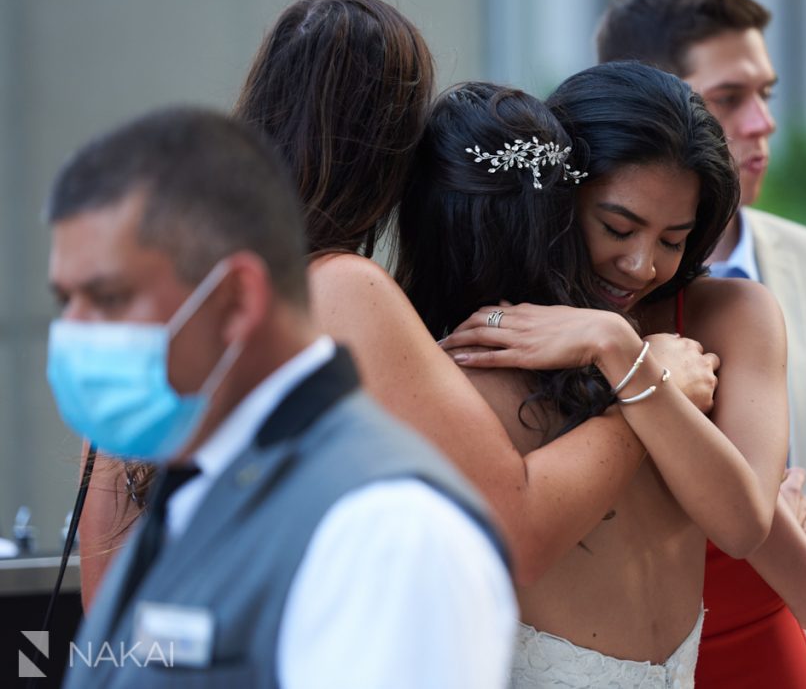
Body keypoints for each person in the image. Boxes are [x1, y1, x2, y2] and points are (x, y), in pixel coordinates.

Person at [75, 0, 723, 608]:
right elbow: (514, 530)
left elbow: (105, 587)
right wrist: (646, 392)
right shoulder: (340, 288)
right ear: (390, 152)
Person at [50, 107, 516, 688]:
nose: (76, 333)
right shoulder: (195, 486)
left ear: (238, 301)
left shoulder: (386, 530)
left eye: (109, 297)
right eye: (65, 300)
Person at [435, 63, 806, 687]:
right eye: (618, 228)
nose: (640, 265)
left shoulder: (733, 314)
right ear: (559, 195)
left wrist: (615, 347)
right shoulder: (513, 330)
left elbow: (744, 525)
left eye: (674, 239)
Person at [595, 0, 806, 688]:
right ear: (654, 104)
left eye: (767, 94)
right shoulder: (562, 308)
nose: (762, 122)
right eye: (729, 98)